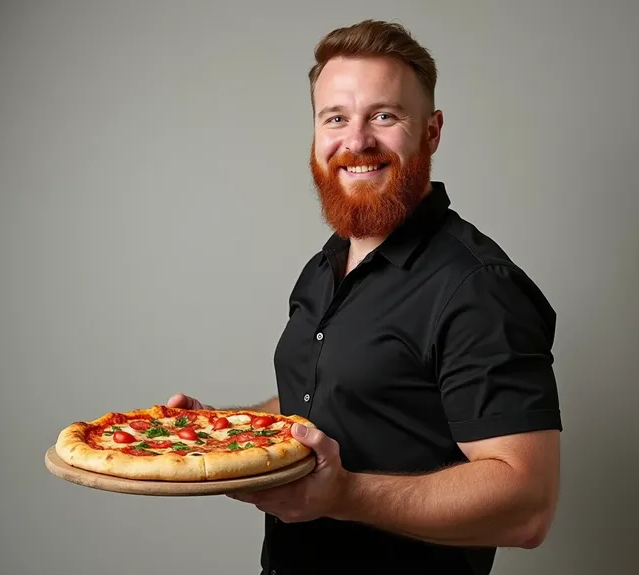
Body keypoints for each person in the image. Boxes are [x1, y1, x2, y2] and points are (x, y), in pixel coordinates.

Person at [168, 19, 562, 575]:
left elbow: (528, 506)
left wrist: (345, 495)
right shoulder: (325, 266)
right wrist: (222, 430)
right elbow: (331, 399)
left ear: (432, 132)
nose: (356, 141)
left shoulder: (478, 286)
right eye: (335, 118)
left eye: (384, 115)